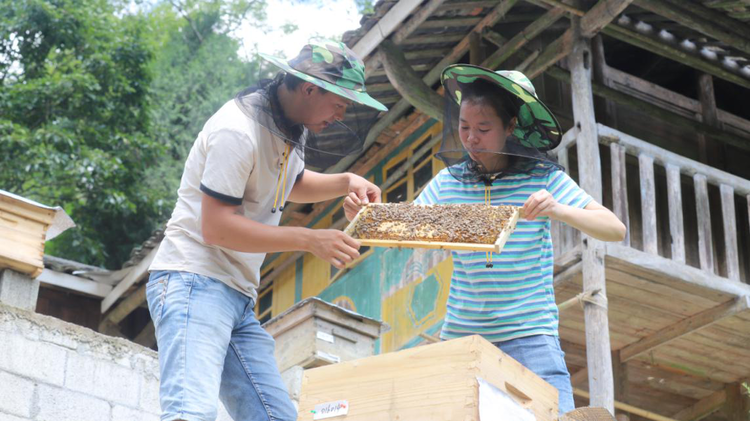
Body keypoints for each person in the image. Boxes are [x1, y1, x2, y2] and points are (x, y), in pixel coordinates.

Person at [344, 64, 626, 414]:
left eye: (483, 128)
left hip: (530, 335)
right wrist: (363, 215)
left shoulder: (543, 179)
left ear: (510, 127)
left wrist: (558, 210)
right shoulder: (449, 183)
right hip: (464, 335)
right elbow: (404, 227)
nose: (471, 138)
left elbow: (614, 228)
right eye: (463, 127)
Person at [146, 40, 387, 421]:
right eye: (339, 103)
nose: (341, 114)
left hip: (237, 295)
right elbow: (216, 227)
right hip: (193, 280)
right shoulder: (236, 132)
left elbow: (283, 183)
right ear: (309, 89)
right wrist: (309, 239)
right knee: (188, 414)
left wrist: (346, 181)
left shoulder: (288, 124)